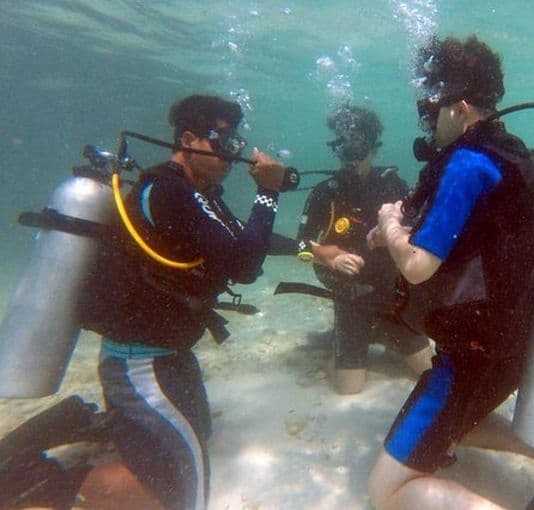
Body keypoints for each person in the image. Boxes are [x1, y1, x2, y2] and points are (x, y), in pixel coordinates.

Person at [365, 35, 534, 508]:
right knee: (450, 426)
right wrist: (390, 231)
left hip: (469, 358)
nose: (428, 121)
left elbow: (417, 268)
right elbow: (480, 237)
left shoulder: (468, 162)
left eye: (433, 108)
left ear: (461, 106)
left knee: (385, 493)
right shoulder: (517, 157)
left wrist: (389, 224)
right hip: (515, 348)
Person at [76, 94, 286, 509]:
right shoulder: (168, 191)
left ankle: (102, 430)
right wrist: (268, 194)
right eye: (222, 143)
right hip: (139, 359)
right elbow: (244, 265)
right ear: (189, 139)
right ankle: (49, 479)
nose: (232, 154)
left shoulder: (200, 192)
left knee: (199, 434)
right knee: (183, 490)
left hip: (171, 354)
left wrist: (311, 249)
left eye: (235, 145)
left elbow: (241, 242)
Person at [296, 105, 432, 395]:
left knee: (429, 372)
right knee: (349, 390)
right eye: (343, 147)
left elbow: (421, 233)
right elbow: (300, 242)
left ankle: (384, 332)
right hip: (350, 300)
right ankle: (352, 338)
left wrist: (397, 234)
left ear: (374, 149)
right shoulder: (324, 192)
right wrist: (329, 256)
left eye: (358, 147)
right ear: (336, 148)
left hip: (391, 297)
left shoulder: (393, 185)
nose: (351, 156)